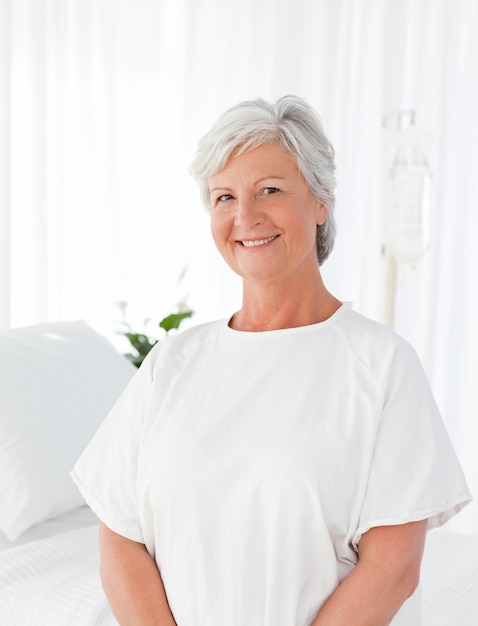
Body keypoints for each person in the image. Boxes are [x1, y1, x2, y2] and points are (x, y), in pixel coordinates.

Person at [72, 95, 471, 626]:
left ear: (321, 200)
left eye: (270, 190)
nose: (246, 216)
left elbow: (393, 568)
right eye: (223, 197)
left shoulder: (382, 364)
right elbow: (120, 535)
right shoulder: (173, 361)